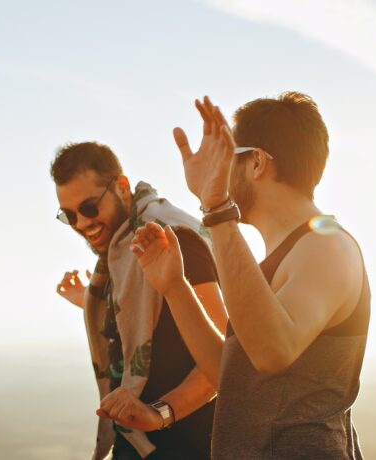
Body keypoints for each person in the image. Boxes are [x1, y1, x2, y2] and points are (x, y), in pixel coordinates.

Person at [122, 92, 369, 459]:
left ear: (255, 162)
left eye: (228, 159)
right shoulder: (281, 257)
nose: (220, 172)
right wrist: (175, 287)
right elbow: (236, 377)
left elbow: (272, 351)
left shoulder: (326, 247)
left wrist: (217, 207)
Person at [52, 142, 227, 459]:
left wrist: (160, 414)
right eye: (69, 215)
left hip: (184, 443)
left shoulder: (173, 237)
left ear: (121, 187)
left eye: (90, 208)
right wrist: (90, 301)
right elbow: (150, 316)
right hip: (137, 441)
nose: (81, 223)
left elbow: (225, 357)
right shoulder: (122, 249)